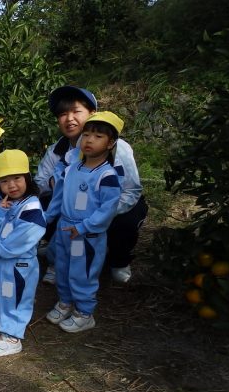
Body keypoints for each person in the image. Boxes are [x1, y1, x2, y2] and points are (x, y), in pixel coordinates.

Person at [37, 86, 147, 283]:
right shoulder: (58, 151)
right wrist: (55, 184)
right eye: (63, 114)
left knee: (128, 220)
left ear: (92, 114)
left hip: (110, 205)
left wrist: (100, 214)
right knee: (42, 206)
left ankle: (118, 260)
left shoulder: (117, 148)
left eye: (76, 111)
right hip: (71, 207)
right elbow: (41, 182)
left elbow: (131, 189)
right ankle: (59, 255)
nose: (69, 119)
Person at [44, 111, 124, 333]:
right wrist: (47, 218)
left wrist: (84, 227)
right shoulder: (71, 169)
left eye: (98, 136)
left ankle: (84, 312)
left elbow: (107, 209)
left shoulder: (107, 175)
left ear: (111, 143)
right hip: (64, 229)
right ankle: (65, 302)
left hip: (85, 234)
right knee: (63, 266)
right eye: (86, 134)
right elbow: (58, 197)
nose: (89, 140)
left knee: (83, 272)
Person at [0, 150, 46, 356]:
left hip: (17, 265)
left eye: (17, 178)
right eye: (4, 181)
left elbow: (22, 238)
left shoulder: (31, 207)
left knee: (13, 297)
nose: (11, 185)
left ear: (27, 178)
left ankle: (12, 335)